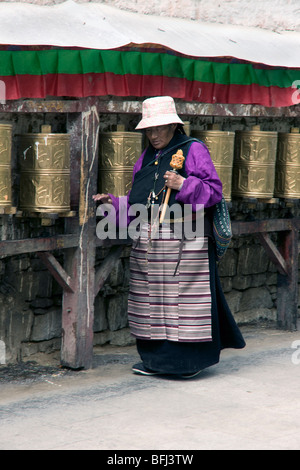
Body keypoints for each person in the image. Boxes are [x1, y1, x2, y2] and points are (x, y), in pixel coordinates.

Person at [93, 96, 245, 379]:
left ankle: (187, 364)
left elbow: (213, 191)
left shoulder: (193, 149)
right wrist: (112, 203)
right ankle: (155, 362)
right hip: (149, 243)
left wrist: (184, 184)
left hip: (187, 243)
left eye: (159, 128)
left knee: (183, 303)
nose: (153, 135)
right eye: (149, 130)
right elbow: (142, 199)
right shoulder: (147, 156)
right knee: (150, 301)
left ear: (174, 126)